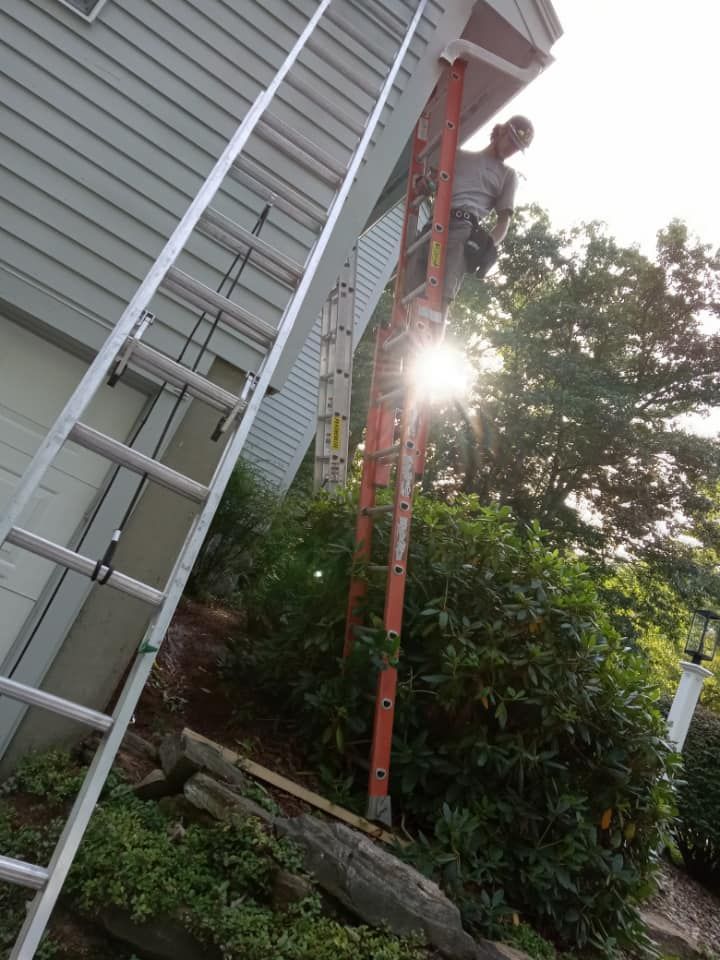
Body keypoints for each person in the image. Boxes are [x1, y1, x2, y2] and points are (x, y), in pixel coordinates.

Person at [405, 115, 534, 311]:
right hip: (433, 225)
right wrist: (423, 183)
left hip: (463, 231)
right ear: (501, 131)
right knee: (411, 287)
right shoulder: (458, 156)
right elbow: (430, 183)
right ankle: (406, 328)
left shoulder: (508, 175)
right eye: (511, 141)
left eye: (517, 148)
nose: (512, 149)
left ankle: (434, 329)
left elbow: (503, 222)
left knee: (442, 296)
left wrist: (487, 244)